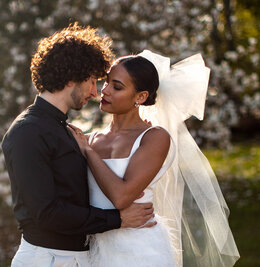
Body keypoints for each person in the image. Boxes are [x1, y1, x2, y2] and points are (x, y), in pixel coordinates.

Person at [1, 24, 156, 267]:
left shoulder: (65, 130)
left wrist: (133, 131)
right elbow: (47, 213)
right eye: (93, 81)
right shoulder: (27, 132)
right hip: (46, 259)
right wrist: (117, 220)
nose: (95, 92)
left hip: (75, 258)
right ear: (73, 76)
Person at [69, 50, 240, 266]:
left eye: (117, 86)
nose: (105, 91)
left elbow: (121, 198)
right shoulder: (89, 138)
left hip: (140, 251)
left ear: (140, 97)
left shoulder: (154, 138)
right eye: (107, 82)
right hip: (94, 250)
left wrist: (89, 153)